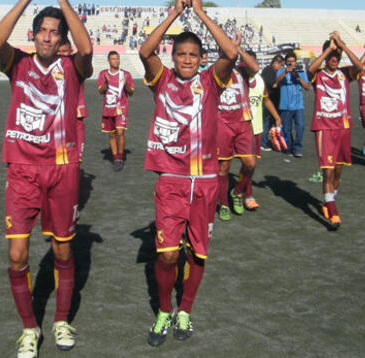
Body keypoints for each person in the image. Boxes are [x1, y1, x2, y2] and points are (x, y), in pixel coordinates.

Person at [0, 1, 93, 357]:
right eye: (43, 31)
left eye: (55, 32)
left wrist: (64, 3)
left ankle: (61, 320)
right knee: (17, 254)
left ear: (61, 38)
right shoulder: (17, 64)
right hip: (21, 170)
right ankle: (29, 328)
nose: (48, 37)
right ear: (33, 35)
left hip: (62, 170)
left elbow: (88, 49)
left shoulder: (72, 67)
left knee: (62, 248)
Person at [138, 0, 237, 347]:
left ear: (201, 59)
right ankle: (164, 310)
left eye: (194, 54)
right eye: (181, 53)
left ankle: (186, 309)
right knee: (167, 255)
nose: (187, 59)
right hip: (171, 181)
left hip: (206, 183)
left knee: (197, 254)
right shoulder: (160, 80)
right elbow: (145, 49)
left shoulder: (212, 81)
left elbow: (230, 52)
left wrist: (202, 13)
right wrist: (174, 14)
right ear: (173, 56)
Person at [307, 31, 363, 229]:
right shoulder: (318, 75)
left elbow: (360, 67)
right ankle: (332, 210)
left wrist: (342, 46)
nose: (334, 59)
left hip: (343, 128)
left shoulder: (345, 74)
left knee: (338, 172)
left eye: (336, 56)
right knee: (328, 171)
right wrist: (329, 48)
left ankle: (328, 200)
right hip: (324, 128)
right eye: (331, 56)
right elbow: (310, 69)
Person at [216, 32, 259, 221]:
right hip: (222, 123)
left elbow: (255, 68)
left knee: (250, 163)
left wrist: (238, 48)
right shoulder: (214, 70)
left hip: (243, 121)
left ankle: (237, 191)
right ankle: (223, 203)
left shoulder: (242, 69)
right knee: (223, 167)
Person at [246, 50, 282, 209]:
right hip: (235, 128)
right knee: (224, 166)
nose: (253, 65)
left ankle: (245, 194)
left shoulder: (260, 80)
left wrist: (276, 117)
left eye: (255, 62)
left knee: (250, 165)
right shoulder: (235, 80)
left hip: (255, 129)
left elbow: (265, 99)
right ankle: (223, 197)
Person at [97, 50, 134, 171]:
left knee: (120, 132)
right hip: (108, 108)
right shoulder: (103, 74)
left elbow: (131, 92)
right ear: (108, 61)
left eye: (117, 58)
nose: (116, 61)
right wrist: (105, 85)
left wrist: (125, 86)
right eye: (113, 59)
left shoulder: (126, 75)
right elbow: (100, 91)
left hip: (120, 108)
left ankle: (120, 158)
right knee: (112, 134)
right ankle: (114, 157)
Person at [58, 38, 88, 163]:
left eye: (65, 51)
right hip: (55, 117)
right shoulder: (50, 66)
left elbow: (85, 51)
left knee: (74, 159)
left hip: (75, 114)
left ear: (71, 51)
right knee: (58, 160)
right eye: (59, 51)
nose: (61, 54)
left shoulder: (76, 64)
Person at [274, 52, 310, 157]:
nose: (290, 64)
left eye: (292, 62)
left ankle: (297, 147)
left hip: (298, 105)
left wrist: (298, 78)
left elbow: (307, 87)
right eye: (288, 62)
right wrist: (286, 72)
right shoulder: (281, 71)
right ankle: (289, 148)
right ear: (285, 62)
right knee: (286, 129)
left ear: (295, 62)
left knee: (301, 127)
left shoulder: (301, 72)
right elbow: (277, 81)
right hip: (285, 105)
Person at [260, 54, 284, 151]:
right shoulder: (268, 70)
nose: (281, 67)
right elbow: (273, 84)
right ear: (275, 63)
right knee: (266, 122)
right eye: (281, 65)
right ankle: (263, 142)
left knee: (270, 123)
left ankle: (269, 141)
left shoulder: (273, 71)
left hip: (273, 100)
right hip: (267, 100)